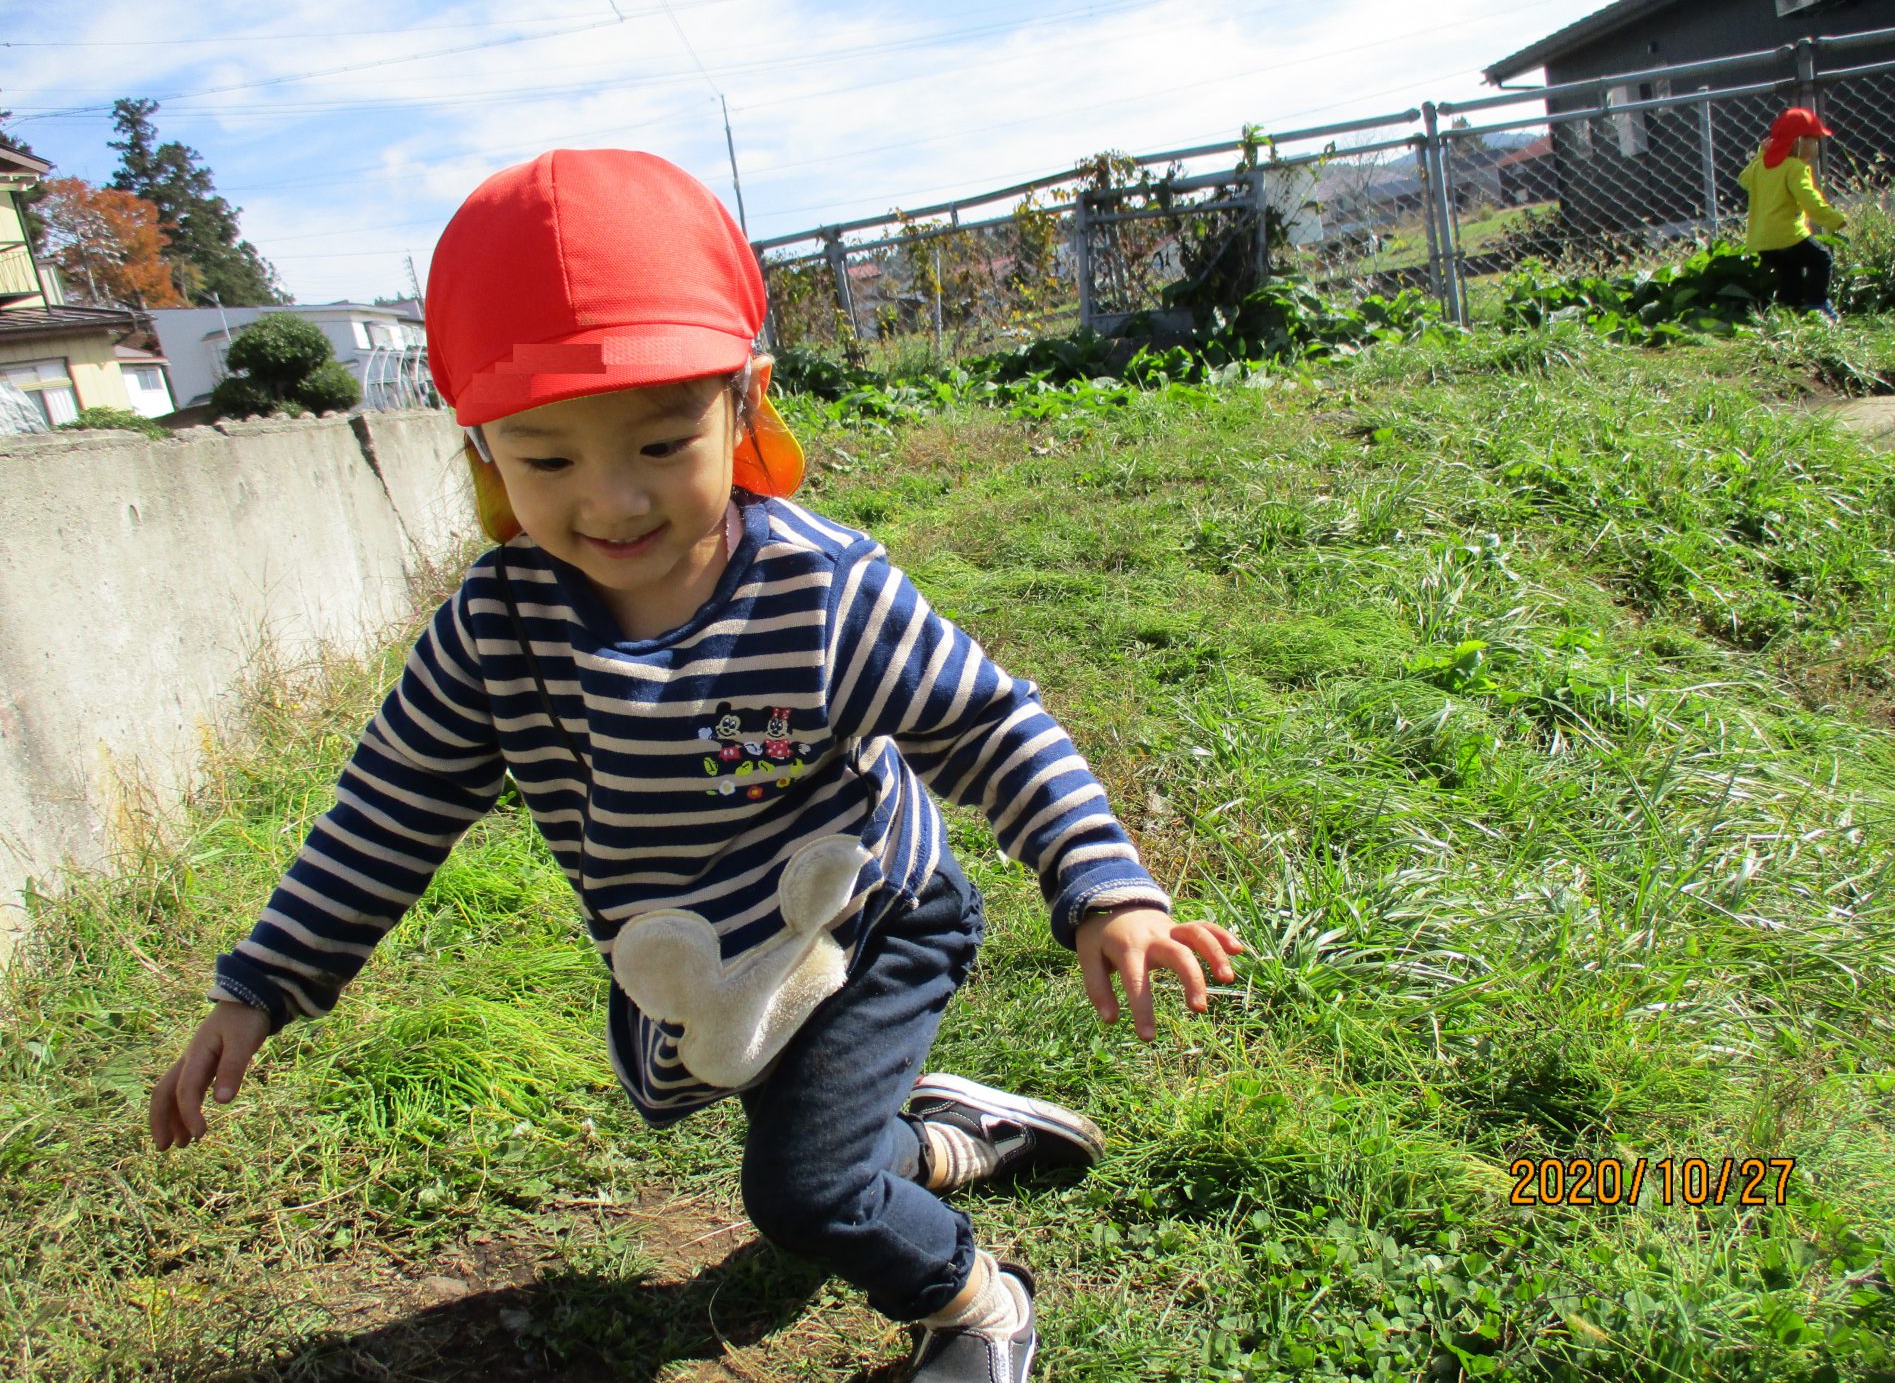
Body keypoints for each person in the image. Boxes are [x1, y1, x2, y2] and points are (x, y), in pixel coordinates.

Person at [148, 149, 1245, 1382]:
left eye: (663, 443)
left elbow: (990, 726)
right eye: (548, 460)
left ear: (744, 403)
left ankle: (978, 1305)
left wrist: (1106, 888)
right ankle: (948, 1141)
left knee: (802, 1191)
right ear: (482, 452)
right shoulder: (495, 635)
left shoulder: (819, 591)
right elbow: (387, 813)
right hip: (722, 969)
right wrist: (262, 987)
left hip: (874, 920)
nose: (613, 501)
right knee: (820, 1160)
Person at [1738, 106, 1848, 320]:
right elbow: (1810, 200)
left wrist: (1761, 154)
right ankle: (1817, 305)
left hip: (1763, 241)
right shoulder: (1795, 168)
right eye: (1813, 140)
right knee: (1821, 259)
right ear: (1799, 141)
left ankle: (1789, 315)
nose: (1816, 145)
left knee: (1791, 275)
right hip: (1788, 236)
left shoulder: (1761, 166)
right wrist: (1834, 219)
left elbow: (1743, 180)